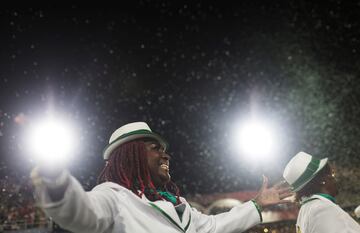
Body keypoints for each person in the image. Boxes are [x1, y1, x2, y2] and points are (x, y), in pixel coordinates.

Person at [31, 122, 292, 233]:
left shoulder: (179, 206)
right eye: (155, 148)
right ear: (130, 155)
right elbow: (81, 214)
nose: (165, 155)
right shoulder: (113, 197)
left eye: (164, 150)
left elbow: (213, 227)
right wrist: (56, 182)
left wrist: (257, 205)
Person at [283, 151, 360, 233]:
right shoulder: (322, 209)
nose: (335, 179)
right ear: (322, 180)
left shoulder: (306, 210)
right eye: (332, 174)